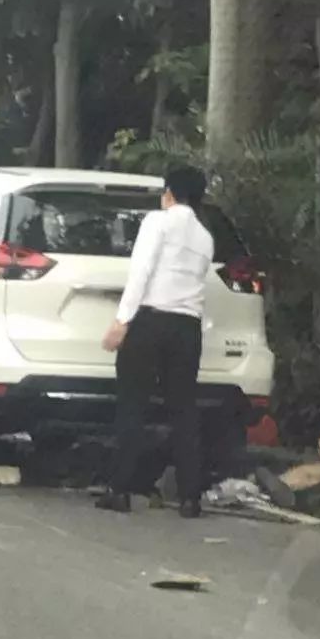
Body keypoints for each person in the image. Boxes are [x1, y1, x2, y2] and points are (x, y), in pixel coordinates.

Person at [97, 165, 214, 519]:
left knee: (133, 404)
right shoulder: (206, 237)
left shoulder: (157, 222)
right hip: (187, 327)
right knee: (184, 409)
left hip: (151, 320)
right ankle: (190, 497)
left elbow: (141, 272)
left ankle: (119, 489)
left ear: (169, 193)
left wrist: (122, 320)